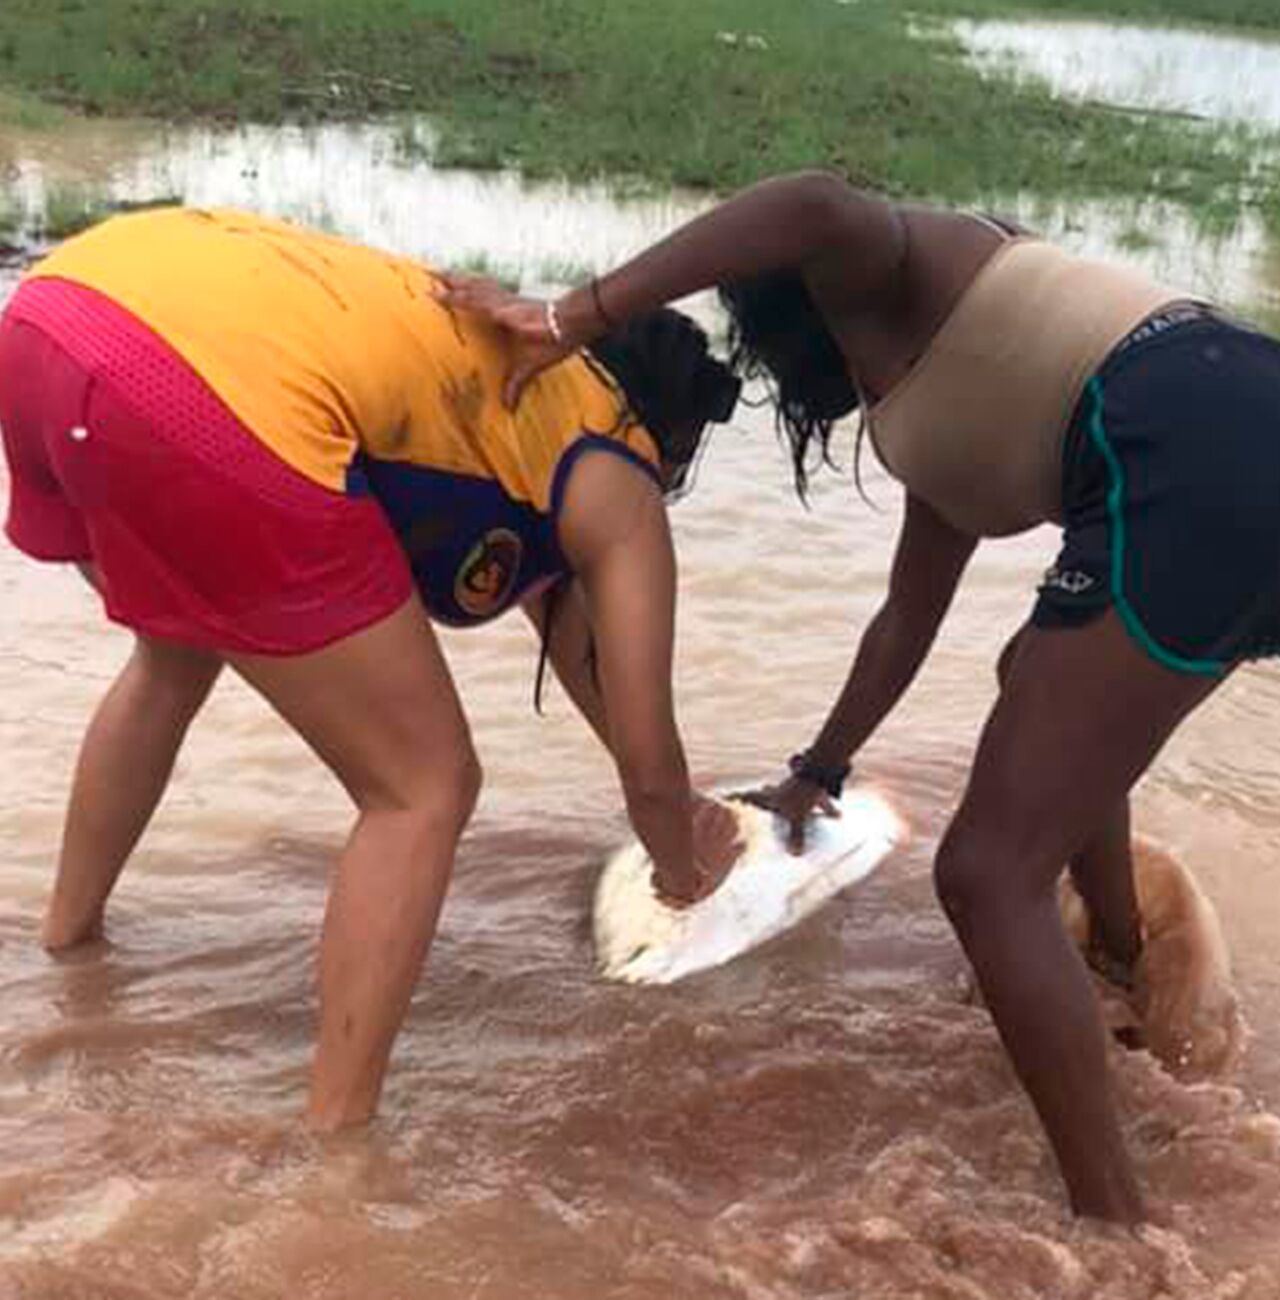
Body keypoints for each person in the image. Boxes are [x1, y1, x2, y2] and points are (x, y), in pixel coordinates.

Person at [438, 170, 1280, 1223]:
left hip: (1188, 449)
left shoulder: (884, 268)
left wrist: (573, 315)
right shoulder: (945, 401)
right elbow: (903, 620)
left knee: (980, 874)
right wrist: (819, 771)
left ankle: (1115, 1227)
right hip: (1230, 423)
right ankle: (1112, 952)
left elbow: (809, 201)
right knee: (1034, 677)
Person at [0, 205, 745, 1130]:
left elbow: (589, 660)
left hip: (59, 316)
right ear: (664, 431)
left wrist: (673, 805)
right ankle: (338, 1146)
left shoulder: (504, 375)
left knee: (173, 655)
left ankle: (67, 953)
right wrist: (691, 867)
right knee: (423, 786)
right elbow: (648, 760)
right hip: (208, 391)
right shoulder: (614, 464)